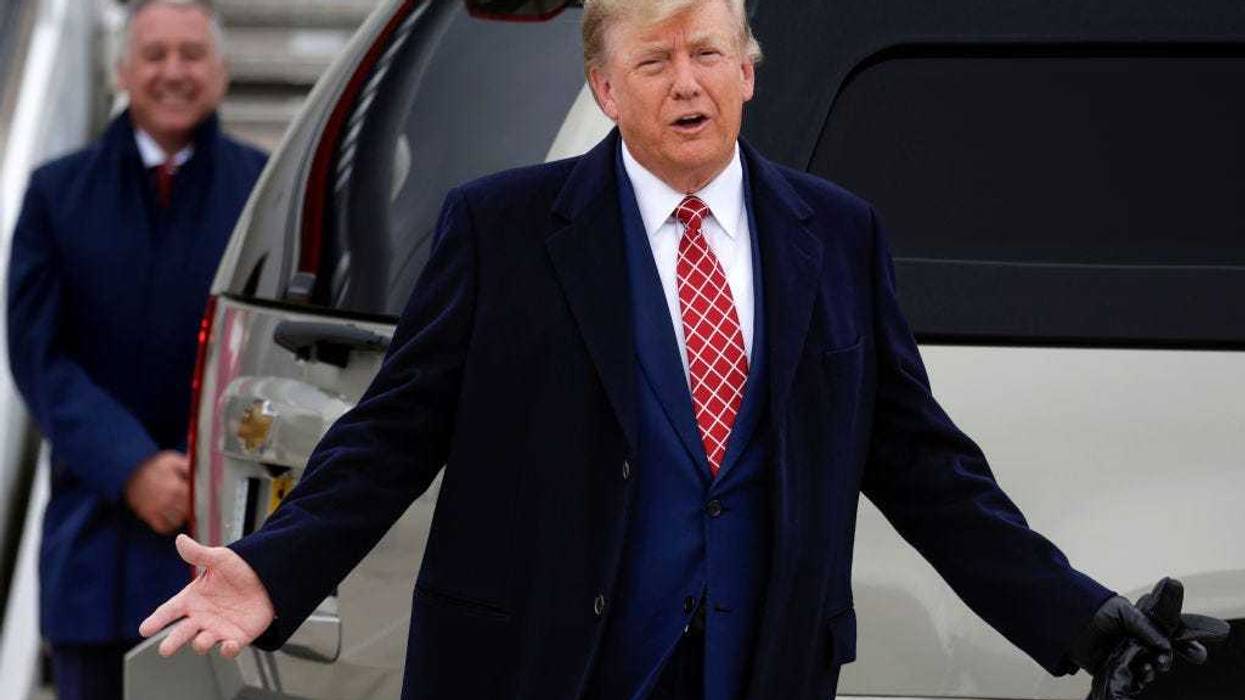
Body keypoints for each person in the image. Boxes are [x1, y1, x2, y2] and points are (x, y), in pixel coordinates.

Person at [139, 1, 1212, 698]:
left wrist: (1082, 619)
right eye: (653, 60)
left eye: (708, 53)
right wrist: (274, 570)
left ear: (749, 70)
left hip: (756, 672)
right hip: (541, 673)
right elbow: (393, 431)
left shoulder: (836, 236)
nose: (686, 83)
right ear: (606, 92)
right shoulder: (503, 230)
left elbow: (927, 469)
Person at [7, 1, 266, 698]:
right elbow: (40, 356)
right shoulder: (56, 193)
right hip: (95, 543)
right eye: (155, 55)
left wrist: (201, 471)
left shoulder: (264, 193)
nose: (173, 71)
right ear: (123, 70)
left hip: (221, 556)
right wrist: (131, 466)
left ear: (221, 71)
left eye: (191, 54)